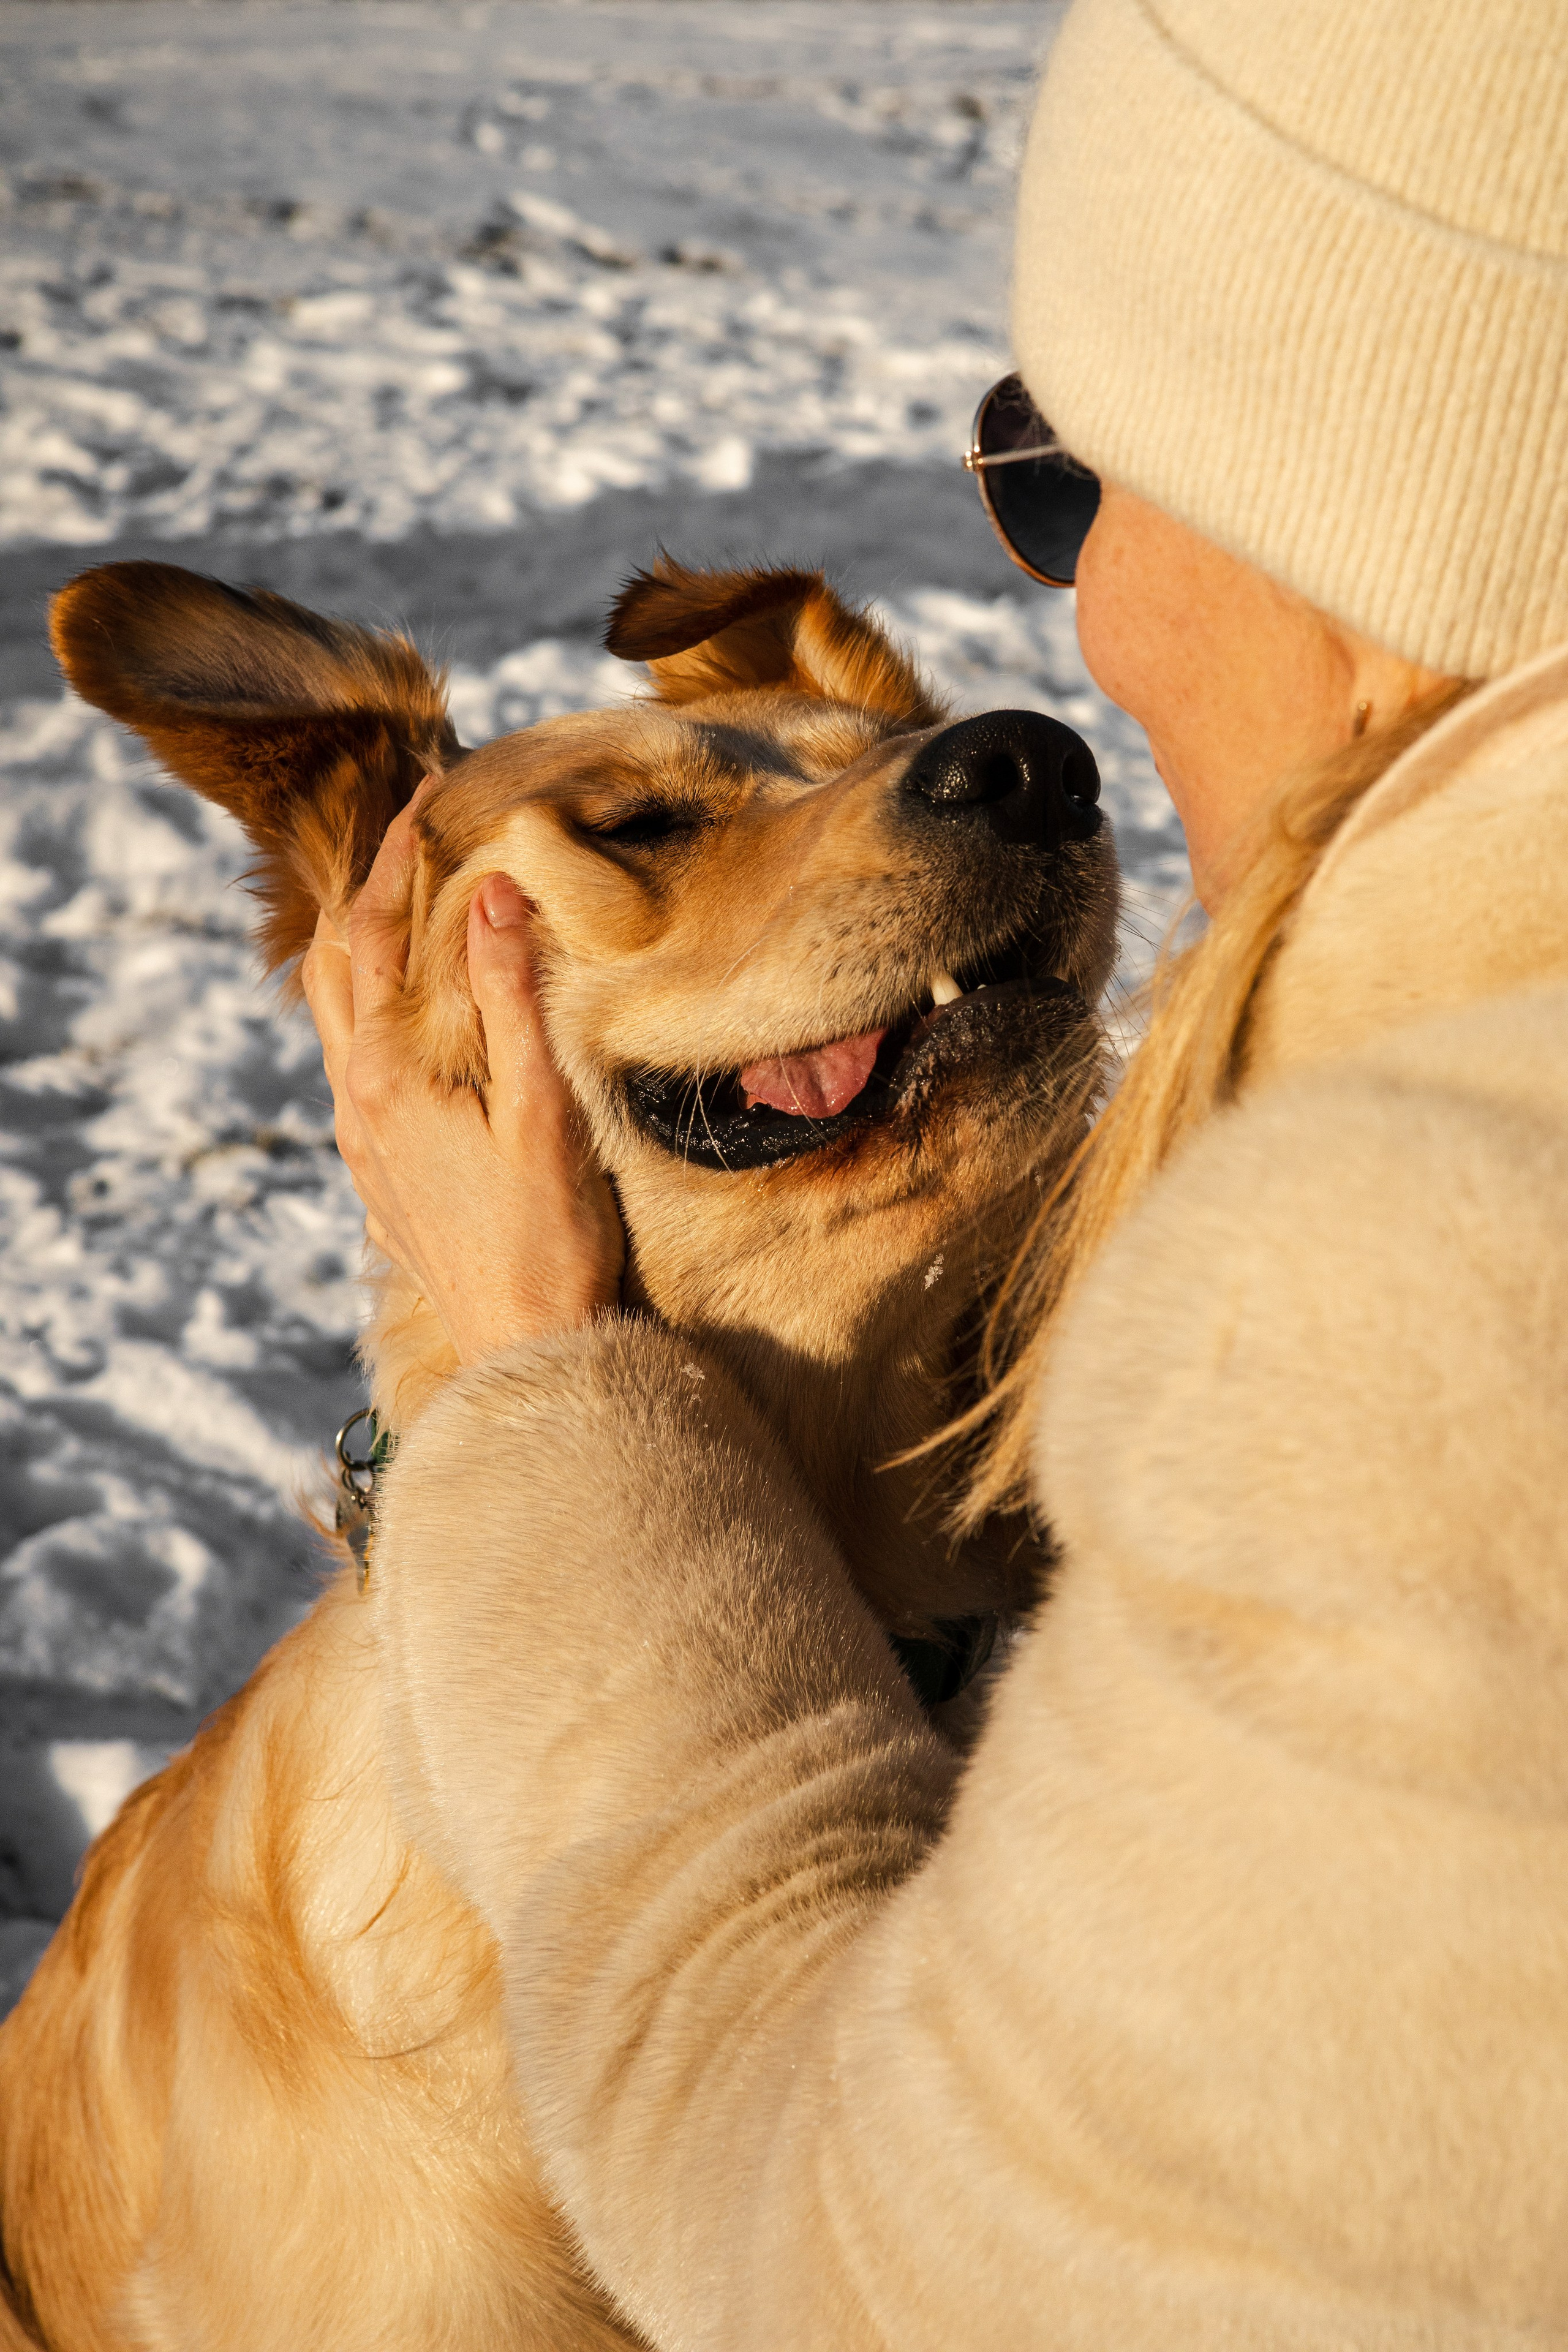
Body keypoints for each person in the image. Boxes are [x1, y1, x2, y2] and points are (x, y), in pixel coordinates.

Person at [303, 0, 1568, 2342]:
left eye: (1072, 472)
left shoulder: (1452, 1287)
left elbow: (881, 2275)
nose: (1072, 631)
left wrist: (548, 1396)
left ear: (1378, 512)